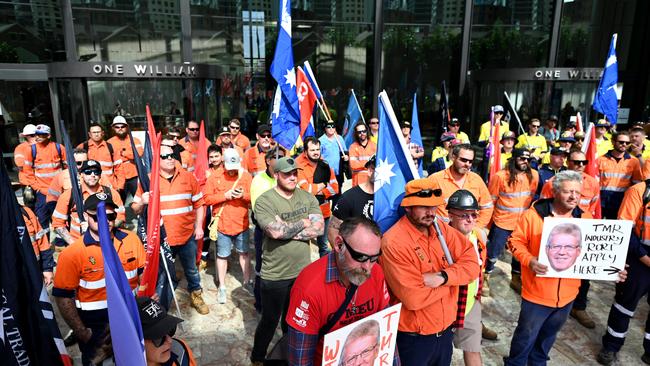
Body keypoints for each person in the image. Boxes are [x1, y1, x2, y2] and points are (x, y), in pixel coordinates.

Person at [505, 171, 625, 365]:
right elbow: (515, 242)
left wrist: (613, 267)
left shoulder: (586, 218)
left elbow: (595, 252)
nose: (573, 197)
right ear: (555, 191)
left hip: (568, 296)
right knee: (525, 338)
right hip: (537, 294)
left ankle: (538, 363)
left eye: (578, 193)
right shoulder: (533, 215)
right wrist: (529, 260)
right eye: (568, 192)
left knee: (547, 338)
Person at [380, 178, 480, 366]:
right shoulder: (394, 242)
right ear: (408, 207)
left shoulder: (440, 228)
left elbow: (472, 264)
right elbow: (413, 298)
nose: (431, 212)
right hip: (414, 340)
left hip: (444, 336)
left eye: (434, 206)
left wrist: (443, 277)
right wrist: (454, 283)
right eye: (424, 207)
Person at [286, 217, 397, 366]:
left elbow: (387, 334)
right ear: (338, 244)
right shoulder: (309, 289)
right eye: (360, 257)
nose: (367, 267)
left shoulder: (376, 273)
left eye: (374, 258)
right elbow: (301, 360)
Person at [53, 193, 145, 365]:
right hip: (97, 329)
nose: (105, 221)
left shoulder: (131, 240)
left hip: (130, 319)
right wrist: (81, 331)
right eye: (98, 217)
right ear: (86, 217)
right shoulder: (72, 254)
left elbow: (143, 275)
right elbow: (63, 296)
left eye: (110, 216)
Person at [250, 157, 324, 364]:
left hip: (302, 273)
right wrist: (302, 222)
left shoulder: (307, 197)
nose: (292, 177)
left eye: (294, 173)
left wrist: (287, 229)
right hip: (275, 274)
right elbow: (274, 232)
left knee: (292, 321)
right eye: (287, 174)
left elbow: (319, 229)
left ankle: (287, 354)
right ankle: (258, 357)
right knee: (270, 320)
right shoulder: (265, 201)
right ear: (276, 175)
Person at [131, 144, 209, 315]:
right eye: (164, 156)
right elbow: (135, 209)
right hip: (161, 239)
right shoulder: (148, 180)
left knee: (191, 270)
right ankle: (160, 304)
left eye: (172, 155)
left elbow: (200, 204)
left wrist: (198, 227)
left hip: (186, 236)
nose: (170, 158)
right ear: (156, 160)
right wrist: (142, 202)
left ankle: (196, 294)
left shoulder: (188, 177)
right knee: (161, 275)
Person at [540, 150, 600, 329]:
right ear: (568, 162)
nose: (580, 166)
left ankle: (579, 307)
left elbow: (594, 207)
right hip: (556, 235)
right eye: (576, 162)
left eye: (583, 162)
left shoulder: (593, 183)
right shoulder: (553, 183)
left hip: (581, 233)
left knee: (583, 274)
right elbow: (543, 209)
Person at [597, 177, 650, 365]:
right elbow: (624, 229)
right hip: (639, 258)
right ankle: (611, 346)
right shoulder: (639, 191)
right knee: (624, 306)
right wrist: (645, 257)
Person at [447, 190, 496, 366]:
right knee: (441, 355)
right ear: (450, 215)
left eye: (474, 214)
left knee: (474, 350)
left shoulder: (479, 237)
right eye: (464, 215)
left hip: (469, 304)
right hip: (445, 307)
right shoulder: (440, 240)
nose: (470, 219)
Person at [203, 148, 253, 304]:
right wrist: (224, 196)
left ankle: (247, 282)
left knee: (244, 254)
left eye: (235, 168)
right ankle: (222, 287)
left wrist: (243, 196)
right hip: (223, 225)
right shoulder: (214, 178)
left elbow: (254, 199)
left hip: (242, 224)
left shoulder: (245, 176)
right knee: (222, 256)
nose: (232, 172)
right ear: (223, 163)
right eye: (229, 169)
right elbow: (206, 199)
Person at [486, 148, 539, 294]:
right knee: (493, 252)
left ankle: (516, 278)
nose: (525, 162)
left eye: (528, 159)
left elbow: (532, 197)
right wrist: (488, 224)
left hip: (522, 224)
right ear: (513, 158)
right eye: (522, 158)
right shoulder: (500, 176)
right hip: (502, 222)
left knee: (519, 253)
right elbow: (491, 200)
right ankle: (486, 276)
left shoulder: (534, 175)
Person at [52, 160, 125, 245]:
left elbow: (120, 218)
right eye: (88, 172)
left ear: (100, 175)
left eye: (96, 172)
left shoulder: (111, 193)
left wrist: (97, 226)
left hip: (107, 243)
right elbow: (58, 224)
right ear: (81, 175)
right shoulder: (69, 195)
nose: (92, 175)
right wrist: (74, 245)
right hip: (79, 244)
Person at [250, 147, 285, 313]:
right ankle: (261, 303)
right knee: (263, 267)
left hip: (285, 230)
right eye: (277, 157)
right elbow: (259, 209)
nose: (281, 160)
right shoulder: (259, 180)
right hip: (265, 231)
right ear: (268, 161)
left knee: (282, 267)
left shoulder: (287, 177)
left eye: (283, 157)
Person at [428, 143, 493, 229]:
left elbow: (487, 207)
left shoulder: (476, 180)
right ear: (453, 157)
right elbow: (425, 209)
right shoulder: (435, 179)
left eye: (470, 161)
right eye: (463, 160)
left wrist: (477, 228)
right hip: (442, 235)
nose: (467, 164)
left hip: (469, 235)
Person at [296, 137, 339, 257]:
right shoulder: (300, 167)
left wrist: (319, 190)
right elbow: (305, 190)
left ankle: (323, 273)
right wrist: (324, 185)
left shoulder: (325, 165)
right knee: (304, 246)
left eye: (318, 149)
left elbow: (335, 188)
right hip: (306, 213)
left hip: (323, 212)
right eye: (312, 150)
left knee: (324, 247)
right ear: (305, 152)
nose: (316, 152)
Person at [22, 124, 67, 230]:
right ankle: (45, 245)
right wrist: (37, 188)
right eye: (36, 134)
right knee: (42, 221)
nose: (37, 137)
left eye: (41, 135)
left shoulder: (59, 148)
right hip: (42, 193)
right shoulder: (31, 150)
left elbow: (67, 168)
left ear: (48, 136)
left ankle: (62, 245)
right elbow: (27, 172)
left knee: (60, 219)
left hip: (59, 192)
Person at [328, 155, 375, 245]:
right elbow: (332, 229)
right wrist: (343, 255)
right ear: (370, 170)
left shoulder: (392, 200)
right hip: (359, 255)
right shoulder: (349, 197)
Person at [597, 131, 643, 219]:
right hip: (602, 200)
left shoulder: (633, 161)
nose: (624, 144)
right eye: (621, 142)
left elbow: (636, 184)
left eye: (627, 143)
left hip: (622, 201)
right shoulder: (600, 160)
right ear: (613, 142)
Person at [108, 116, 143, 201]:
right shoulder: (109, 143)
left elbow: (139, 154)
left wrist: (123, 153)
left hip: (134, 177)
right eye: (117, 127)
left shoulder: (135, 140)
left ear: (126, 127)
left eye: (122, 126)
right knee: (118, 203)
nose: (120, 129)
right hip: (118, 178)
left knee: (140, 202)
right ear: (113, 128)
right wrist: (129, 155)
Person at [319, 120, 348, 186]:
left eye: (333, 127)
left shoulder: (339, 138)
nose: (331, 128)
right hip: (327, 173)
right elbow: (318, 156)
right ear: (325, 128)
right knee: (328, 193)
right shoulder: (321, 140)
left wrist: (346, 157)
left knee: (339, 192)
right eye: (329, 127)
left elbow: (345, 152)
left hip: (338, 172)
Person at [348, 122, 377, 187]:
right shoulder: (352, 147)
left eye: (364, 131)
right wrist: (369, 164)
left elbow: (378, 164)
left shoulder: (374, 146)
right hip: (358, 181)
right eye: (359, 132)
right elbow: (353, 165)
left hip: (372, 180)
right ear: (356, 133)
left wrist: (360, 163)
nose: (362, 133)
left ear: (367, 131)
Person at [13, 123, 37, 188]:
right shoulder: (21, 148)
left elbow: (20, 165)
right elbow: (20, 164)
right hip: (29, 182)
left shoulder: (20, 148)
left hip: (29, 181)